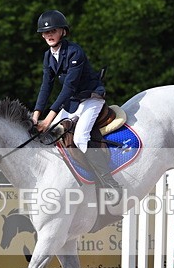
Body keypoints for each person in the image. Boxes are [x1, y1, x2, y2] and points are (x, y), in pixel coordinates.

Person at [32, 10, 121, 194]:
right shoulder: (48, 56)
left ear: (63, 32)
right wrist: (35, 115)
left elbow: (69, 88)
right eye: (46, 32)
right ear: (42, 35)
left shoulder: (75, 52)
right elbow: (46, 86)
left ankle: (109, 183)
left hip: (90, 98)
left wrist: (47, 119)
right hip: (73, 102)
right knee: (52, 135)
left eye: (53, 30)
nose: (49, 35)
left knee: (80, 137)